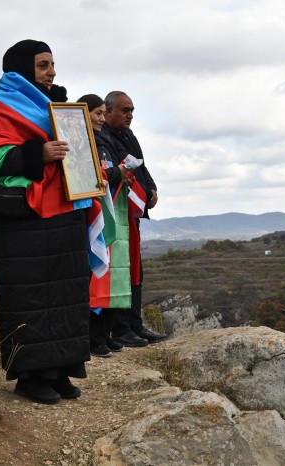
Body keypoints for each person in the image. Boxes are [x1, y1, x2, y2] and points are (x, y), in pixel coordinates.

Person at [0, 39, 95, 404]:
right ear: (21, 68)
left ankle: (62, 369)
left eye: (52, 64)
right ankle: (30, 377)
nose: (51, 72)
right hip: (24, 221)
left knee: (65, 293)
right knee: (30, 296)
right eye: (43, 65)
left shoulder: (60, 107)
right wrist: (38, 152)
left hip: (65, 212)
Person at [102, 90, 167, 346]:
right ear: (108, 111)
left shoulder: (129, 135)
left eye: (132, 111)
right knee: (121, 269)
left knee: (135, 269)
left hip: (134, 213)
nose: (130, 116)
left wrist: (151, 190)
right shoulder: (102, 137)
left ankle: (135, 324)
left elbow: (142, 166)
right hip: (118, 213)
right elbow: (115, 174)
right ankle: (121, 328)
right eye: (125, 110)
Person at [77, 93, 131, 357]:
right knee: (92, 282)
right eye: (97, 113)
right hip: (88, 218)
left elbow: (106, 172)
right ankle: (92, 338)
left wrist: (121, 177)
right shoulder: (82, 143)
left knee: (103, 279)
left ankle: (103, 335)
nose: (101, 119)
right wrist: (114, 174)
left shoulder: (102, 141)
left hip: (103, 215)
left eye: (101, 113)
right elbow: (90, 176)